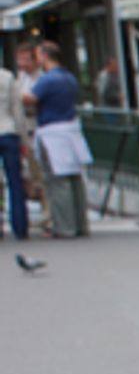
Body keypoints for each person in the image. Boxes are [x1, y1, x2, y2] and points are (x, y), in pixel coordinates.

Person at [22, 41, 91, 239]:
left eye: (38, 55)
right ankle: (80, 224)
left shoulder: (47, 79)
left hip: (52, 132)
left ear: (44, 56)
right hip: (70, 130)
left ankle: (64, 226)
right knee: (74, 179)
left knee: (57, 181)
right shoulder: (69, 77)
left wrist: (15, 94)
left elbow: (31, 99)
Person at [14, 43, 50, 236]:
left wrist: (15, 97)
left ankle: (48, 216)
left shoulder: (41, 79)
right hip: (23, 131)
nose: (22, 63)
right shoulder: (20, 78)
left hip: (36, 129)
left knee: (42, 176)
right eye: (19, 59)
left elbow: (32, 100)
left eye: (26, 59)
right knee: (28, 177)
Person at [0, 63, 28, 240]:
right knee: (15, 182)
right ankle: (20, 226)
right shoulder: (7, 77)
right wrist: (23, 138)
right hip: (8, 131)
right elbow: (17, 110)